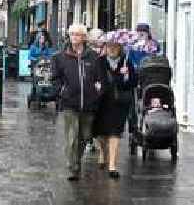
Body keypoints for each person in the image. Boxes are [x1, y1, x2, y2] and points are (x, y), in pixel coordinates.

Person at [52, 23, 105, 181]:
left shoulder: (94, 57)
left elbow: (100, 78)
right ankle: (73, 167)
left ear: (84, 37)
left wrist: (98, 90)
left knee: (84, 136)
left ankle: (77, 160)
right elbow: (55, 79)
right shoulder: (60, 57)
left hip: (89, 103)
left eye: (77, 34)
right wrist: (61, 92)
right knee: (71, 136)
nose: (74, 37)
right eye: (72, 34)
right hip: (70, 103)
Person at [92, 30, 137, 179]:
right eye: (109, 46)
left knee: (115, 132)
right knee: (100, 134)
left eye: (115, 46)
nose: (112, 48)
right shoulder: (100, 61)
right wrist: (96, 85)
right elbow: (97, 79)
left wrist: (126, 75)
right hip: (102, 102)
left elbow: (132, 83)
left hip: (119, 103)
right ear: (106, 47)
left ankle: (112, 165)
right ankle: (102, 151)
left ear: (120, 48)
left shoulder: (127, 62)